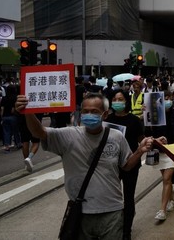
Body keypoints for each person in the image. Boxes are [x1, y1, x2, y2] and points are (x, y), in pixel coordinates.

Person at [15, 92, 153, 240]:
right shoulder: (68, 135)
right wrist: (28, 112)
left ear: (105, 115)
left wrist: (139, 151)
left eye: (94, 112)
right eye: (85, 111)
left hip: (112, 212)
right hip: (81, 213)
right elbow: (39, 132)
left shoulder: (116, 136)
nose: (89, 115)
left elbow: (126, 166)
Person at [105, 89, 145, 239]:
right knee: (112, 197)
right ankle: (112, 226)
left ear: (126, 101)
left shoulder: (134, 120)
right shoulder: (107, 119)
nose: (117, 102)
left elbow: (141, 139)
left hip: (131, 163)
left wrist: (149, 144)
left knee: (128, 197)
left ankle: (126, 230)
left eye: (120, 99)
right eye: (114, 99)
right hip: (111, 164)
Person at [145, 90, 174, 222]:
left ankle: (162, 210)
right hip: (159, 152)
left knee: (166, 179)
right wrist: (145, 115)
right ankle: (171, 200)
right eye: (164, 98)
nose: (167, 100)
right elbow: (147, 133)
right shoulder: (153, 115)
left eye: (169, 98)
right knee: (167, 180)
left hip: (172, 151)